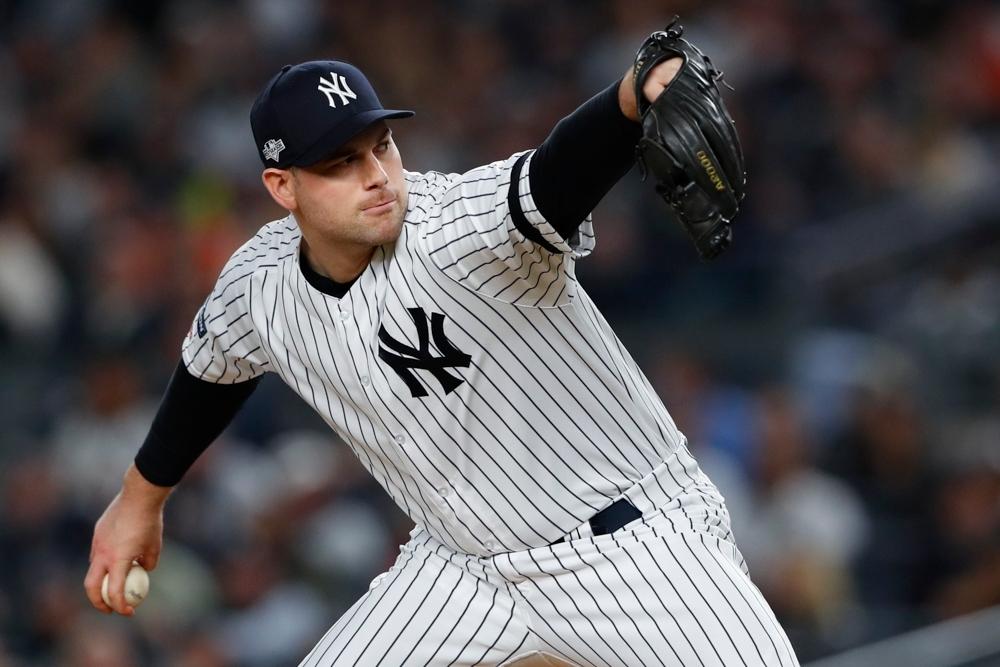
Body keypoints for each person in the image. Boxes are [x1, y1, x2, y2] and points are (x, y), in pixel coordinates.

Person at [85, 32, 799, 666]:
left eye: (380, 145)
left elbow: (552, 178)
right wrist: (138, 500)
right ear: (283, 187)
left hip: (628, 545)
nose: (376, 174)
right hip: (462, 571)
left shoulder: (455, 226)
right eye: (339, 161)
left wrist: (628, 99)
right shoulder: (260, 282)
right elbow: (210, 372)